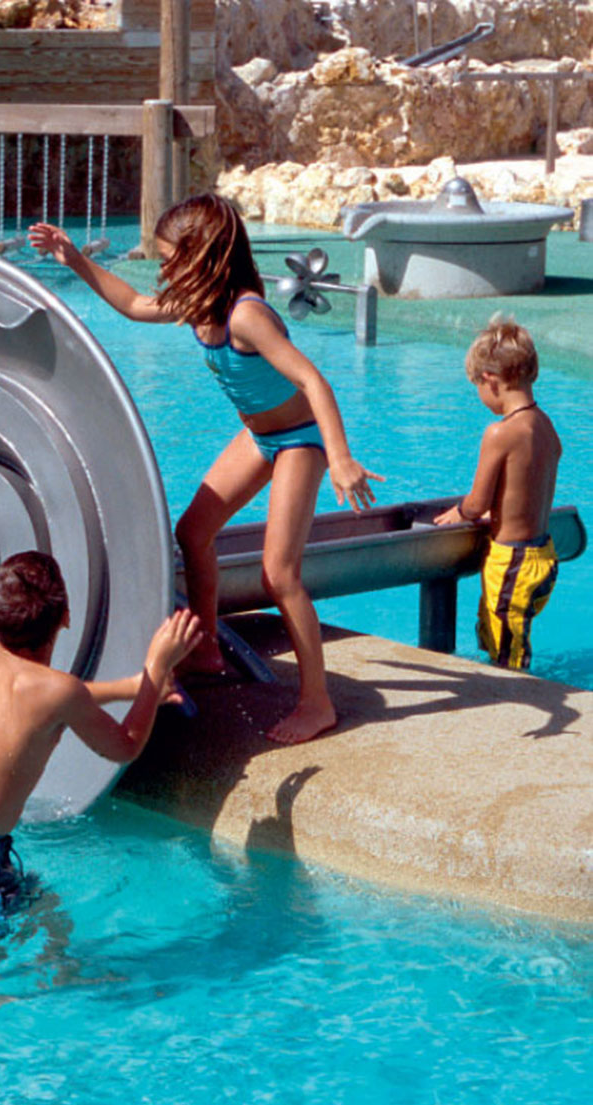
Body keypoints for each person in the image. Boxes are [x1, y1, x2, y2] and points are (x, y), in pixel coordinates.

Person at [29, 194, 382, 744]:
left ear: (203, 255)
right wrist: (74, 259)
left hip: (300, 440)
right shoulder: (200, 305)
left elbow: (313, 382)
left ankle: (317, 703)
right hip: (260, 437)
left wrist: (339, 458)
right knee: (193, 533)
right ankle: (208, 649)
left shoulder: (246, 316)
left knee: (279, 574)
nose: (163, 270)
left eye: (170, 258)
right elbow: (134, 304)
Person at [0, 550, 202, 937]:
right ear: (65, 616)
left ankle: (61, 969)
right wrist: (154, 671)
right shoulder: (56, 692)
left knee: (47, 911)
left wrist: (131, 689)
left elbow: (57, 701)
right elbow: (125, 746)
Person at [434, 317, 562, 670]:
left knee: (509, 660)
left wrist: (459, 512)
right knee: (498, 639)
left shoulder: (499, 433)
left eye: (476, 384)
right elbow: (530, 489)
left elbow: (477, 504)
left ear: (490, 379)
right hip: (542, 555)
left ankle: (514, 703)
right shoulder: (545, 425)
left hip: (512, 562)